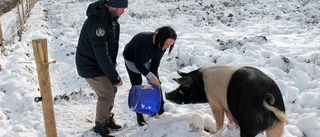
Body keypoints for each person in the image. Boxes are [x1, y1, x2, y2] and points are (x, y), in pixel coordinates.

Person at [75, 0, 128, 136]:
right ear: (113, 6)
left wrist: (112, 67)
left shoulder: (110, 18)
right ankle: (100, 125)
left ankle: (106, 117)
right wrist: (114, 76)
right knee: (106, 94)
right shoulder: (98, 23)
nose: (123, 11)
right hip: (91, 66)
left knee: (112, 90)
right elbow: (101, 54)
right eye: (122, 8)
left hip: (100, 64)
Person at [123, 26, 177, 126]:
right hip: (132, 60)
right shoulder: (142, 41)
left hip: (145, 60)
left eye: (170, 45)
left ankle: (161, 111)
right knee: (136, 85)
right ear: (159, 39)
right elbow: (138, 64)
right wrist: (149, 75)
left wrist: (152, 78)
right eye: (166, 44)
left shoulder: (162, 46)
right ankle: (139, 116)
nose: (167, 47)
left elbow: (155, 63)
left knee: (157, 83)